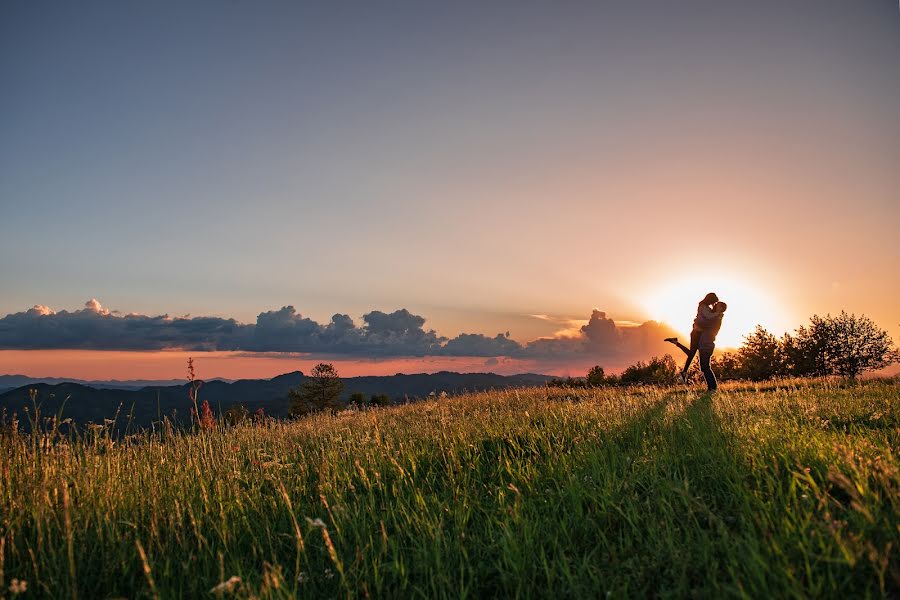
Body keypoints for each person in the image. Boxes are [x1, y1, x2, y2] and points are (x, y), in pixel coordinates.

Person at [664, 293, 726, 392]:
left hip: (703, 339)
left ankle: (686, 373)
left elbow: (705, 321)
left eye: (716, 304)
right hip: (698, 335)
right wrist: (698, 322)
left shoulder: (715, 316)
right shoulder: (704, 307)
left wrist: (697, 322)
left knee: (696, 358)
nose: (714, 304)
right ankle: (685, 373)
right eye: (714, 302)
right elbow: (706, 319)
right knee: (695, 356)